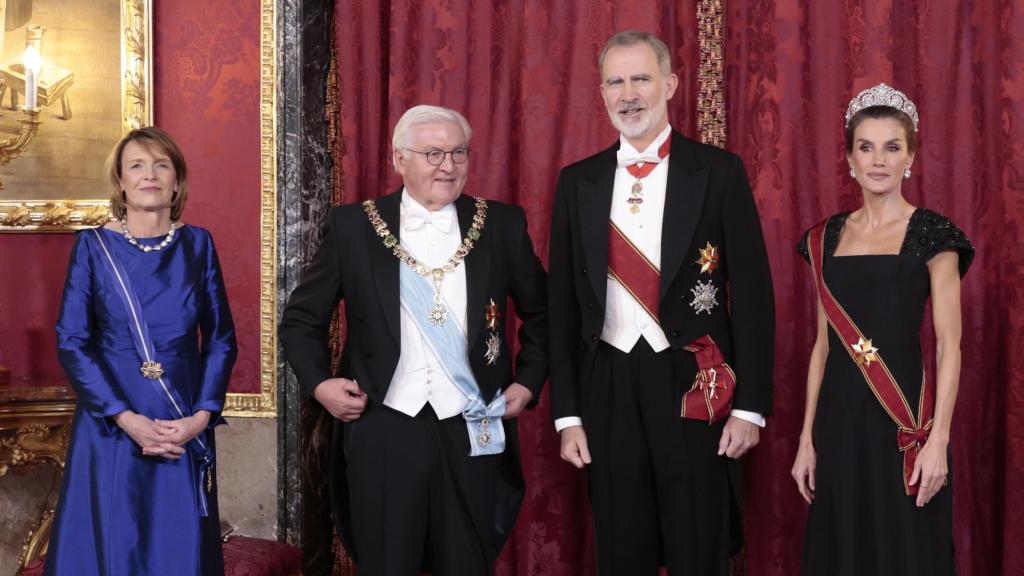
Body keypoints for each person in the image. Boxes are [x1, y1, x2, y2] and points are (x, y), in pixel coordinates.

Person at [279, 104, 547, 575]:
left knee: (466, 564)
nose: (449, 166)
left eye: (459, 153)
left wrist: (526, 383)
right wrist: (321, 385)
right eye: (433, 153)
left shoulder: (501, 224)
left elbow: (544, 313)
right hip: (384, 423)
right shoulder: (354, 226)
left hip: (471, 424)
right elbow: (301, 320)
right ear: (399, 159)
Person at [548, 30, 775, 574]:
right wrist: (567, 415)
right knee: (622, 548)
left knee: (698, 544)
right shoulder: (577, 181)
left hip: (694, 379)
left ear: (670, 85)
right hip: (608, 382)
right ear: (602, 92)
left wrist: (750, 408)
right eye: (615, 82)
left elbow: (753, 295)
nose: (628, 94)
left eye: (641, 79)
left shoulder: (718, 172)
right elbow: (562, 306)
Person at [791, 84, 973, 575]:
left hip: (903, 425)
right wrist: (807, 438)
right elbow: (823, 347)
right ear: (850, 158)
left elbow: (950, 346)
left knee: (906, 553)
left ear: (909, 156)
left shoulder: (934, 235)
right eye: (866, 147)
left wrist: (938, 442)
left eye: (892, 147)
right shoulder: (825, 238)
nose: (878, 160)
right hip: (839, 426)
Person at [48, 127, 237, 575]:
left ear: (176, 181)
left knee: (179, 546)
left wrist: (201, 417)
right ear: (120, 182)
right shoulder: (92, 246)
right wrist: (124, 417)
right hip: (112, 422)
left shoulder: (198, 245)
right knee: (112, 541)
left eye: (161, 165)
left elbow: (220, 338)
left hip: (180, 423)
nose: (149, 175)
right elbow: (72, 340)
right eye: (136, 165)